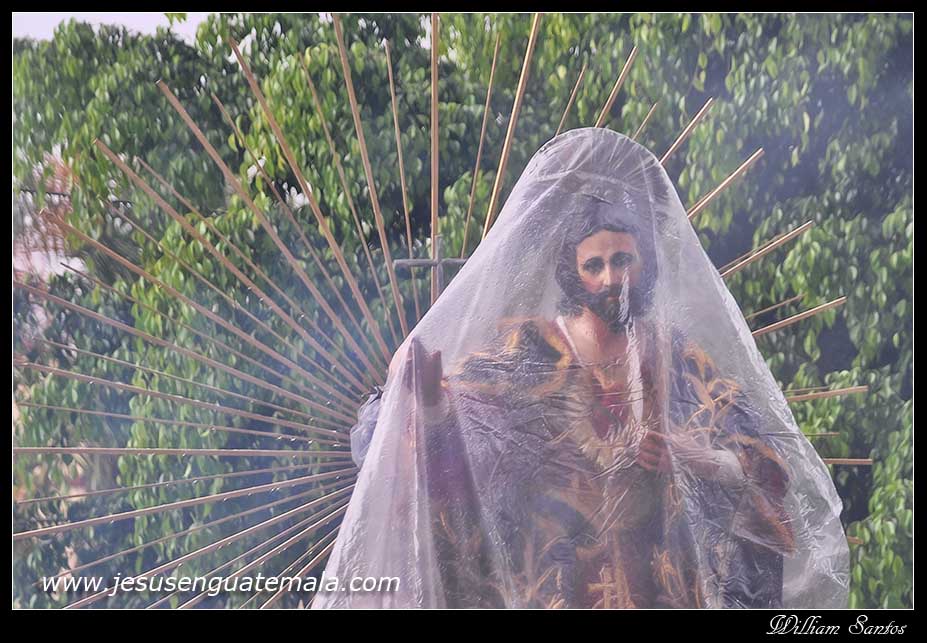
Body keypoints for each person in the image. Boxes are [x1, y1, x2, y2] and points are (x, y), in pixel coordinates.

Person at [314, 128, 849, 609]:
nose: (612, 279)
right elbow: (465, 454)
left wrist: (698, 459)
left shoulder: (678, 360)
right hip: (551, 586)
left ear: (644, 263)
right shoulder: (529, 351)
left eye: (623, 260)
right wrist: (429, 406)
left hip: (662, 589)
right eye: (595, 265)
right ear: (573, 271)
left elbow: (765, 470)